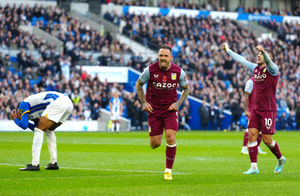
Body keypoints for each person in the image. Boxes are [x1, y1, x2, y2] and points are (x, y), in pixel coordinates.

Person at [222, 43, 286, 174]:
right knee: (252, 135)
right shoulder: (255, 68)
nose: (258, 56)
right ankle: (254, 167)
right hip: (256, 110)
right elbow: (241, 60)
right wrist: (228, 50)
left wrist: (264, 53)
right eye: (258, 54)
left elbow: (270, 63)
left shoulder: (273, 70)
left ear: (268, 58)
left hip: (268, 109)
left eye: (261, 55)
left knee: (267, 140)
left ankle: (280, 159)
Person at [135, 45, 190, 180]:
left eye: (166, 56)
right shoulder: (150, 70)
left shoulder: (178, 72)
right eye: (161, 56)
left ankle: (168, 170)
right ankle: (153, 138)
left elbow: (186, 89)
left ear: (171, 57)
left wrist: (178, 104)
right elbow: (138, 84)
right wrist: (143, 102)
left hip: (170, 110)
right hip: (154, 110)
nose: (163, 58)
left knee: (171, 137)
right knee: (155, 144)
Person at [10, 91, 73, 171]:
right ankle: (53, 163)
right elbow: (37, 128)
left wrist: (15, 119)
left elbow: (24, 125)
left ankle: (35, 164)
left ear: (19, 112)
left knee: (39, 130)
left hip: (58, 102)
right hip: (68, 104)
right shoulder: (33, 113)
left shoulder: (23, 104)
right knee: (48, 130)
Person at [241, 78, 266, 155]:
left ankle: (257, 147)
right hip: (252, 110)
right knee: (250, 128)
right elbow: (246, 97)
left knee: (261, 129)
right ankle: (244, 148)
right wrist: (246, 110)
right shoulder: (251, 82)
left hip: (261, 109)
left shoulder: (263, 82)